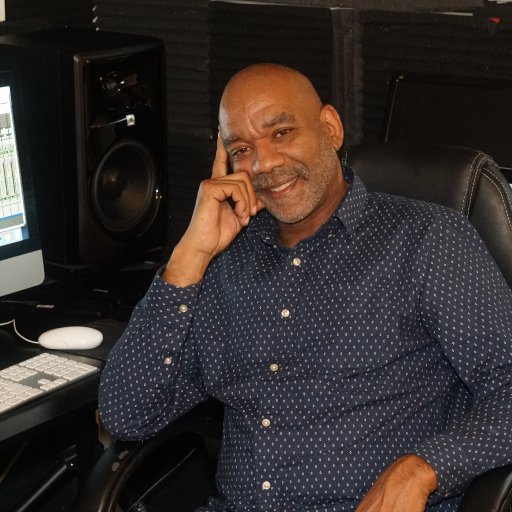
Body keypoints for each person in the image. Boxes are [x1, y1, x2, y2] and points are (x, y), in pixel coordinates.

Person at [98, 63, 512, 512]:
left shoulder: (426, 239)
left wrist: (424, 468)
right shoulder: (222, 262)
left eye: (281, 133)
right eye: (242, 149)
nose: (264, 164)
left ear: (330, 128)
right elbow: (126, 416)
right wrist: (187, 258)